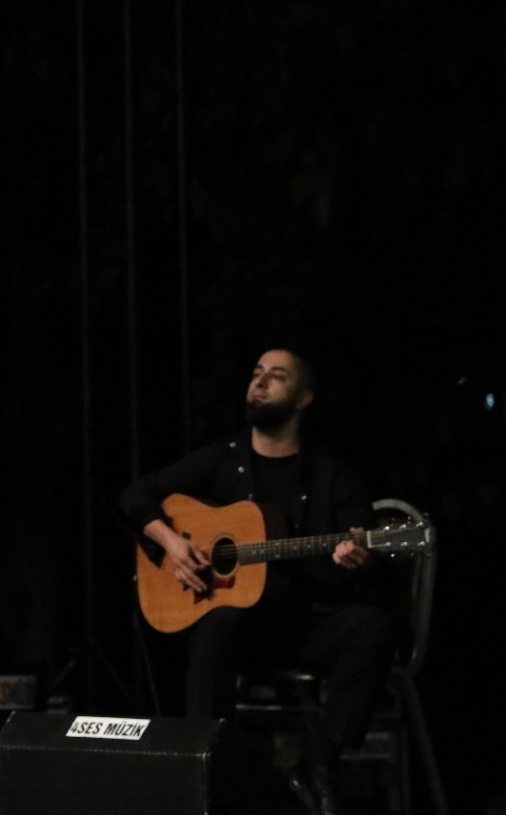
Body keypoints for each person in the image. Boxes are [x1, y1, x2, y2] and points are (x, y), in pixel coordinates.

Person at [119, 348, 396, 815]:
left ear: (303, 398)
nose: (260, 382)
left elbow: (372, 560)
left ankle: (321, 762)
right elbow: (136, 494)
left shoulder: (332, 474)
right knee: (216, 628)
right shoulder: (224, 458)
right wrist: (170, 543)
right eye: (256, 373)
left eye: (277, 376)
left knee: (372, 627)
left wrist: (358, 557)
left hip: (307, 622)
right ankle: (207, 771)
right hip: (245, 629)